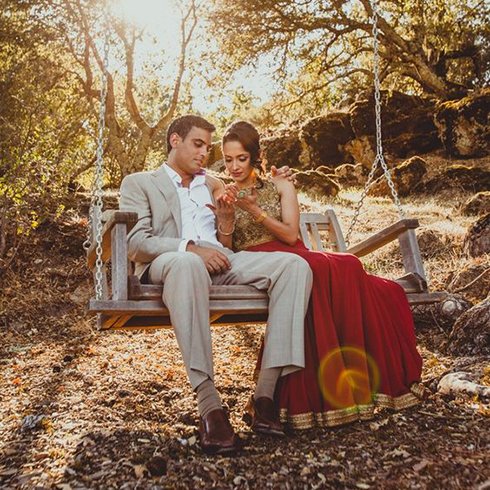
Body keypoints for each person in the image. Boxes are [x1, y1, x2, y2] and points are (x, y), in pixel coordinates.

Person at [119, 115, 313, 455]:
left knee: (294, 266)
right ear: (175, 140)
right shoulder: (139, 183)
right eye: (198, 145)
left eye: (209, 148)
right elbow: (136, 243)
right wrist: (191, 248)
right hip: (170, 262)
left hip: (221, 259)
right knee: (188, 264)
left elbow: (235, 218)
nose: (205, 154)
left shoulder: (212, 183)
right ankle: (210, 405)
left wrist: (227, 221)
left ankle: (264, 397)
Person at [217, 120, 424, 430]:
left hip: (292, 253)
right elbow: (226, 249)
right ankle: (289, 396)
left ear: (256, 155)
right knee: (328, 269)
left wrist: (257, 211)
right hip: (258, 262)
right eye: (228, 159)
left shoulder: (280, 186)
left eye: (241, 158)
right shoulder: (221, 190)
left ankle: (351, 382)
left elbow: (289, 235)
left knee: (353, 267)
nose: (233, 166)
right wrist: (228, 215)